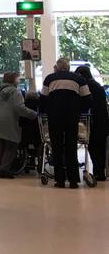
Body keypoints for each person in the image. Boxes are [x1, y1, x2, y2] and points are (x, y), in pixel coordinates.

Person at [41, 57, 91, 188]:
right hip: (71, 118)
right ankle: (73, 180)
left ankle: (60, 180)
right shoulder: (79, 79)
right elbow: (87, 98)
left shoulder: (49, 79)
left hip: (55, 118)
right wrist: (79, 110)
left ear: (57, 67)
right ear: (68, 67)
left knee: (56, 147)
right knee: (71, 147)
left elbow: (43, 98)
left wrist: (48, 110)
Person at [0, 72, 38, 178]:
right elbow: (19, 108)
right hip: (9, 121)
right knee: (11, 145)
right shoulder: (15, 92)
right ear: (14, 80)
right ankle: (4, 169)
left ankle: (0, 168)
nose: (18, 81)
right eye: (17, 79)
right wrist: (33, 114)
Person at [77, 64, 107, 184]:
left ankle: (98, 172)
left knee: (94, 148)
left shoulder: (87, 87)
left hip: (94, 122)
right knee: (100, 148)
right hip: (102, 121)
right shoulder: (97, 86)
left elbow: (86, 104)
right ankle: (100, 172)